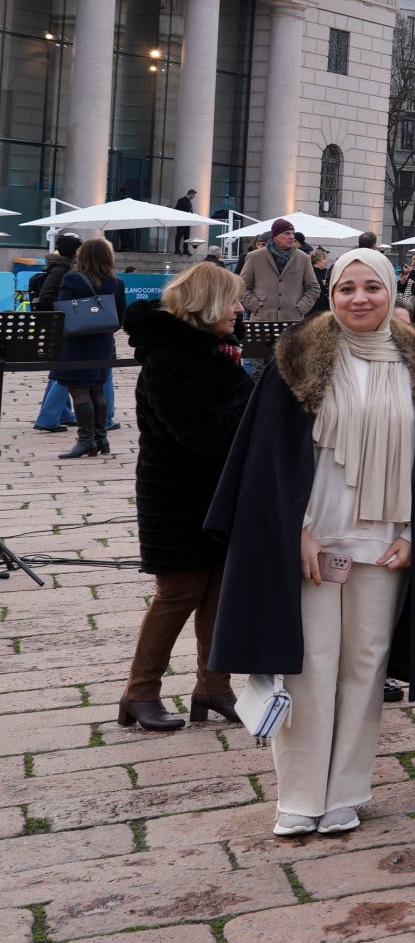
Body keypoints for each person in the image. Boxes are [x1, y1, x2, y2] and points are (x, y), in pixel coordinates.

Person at [206, 248, 415, 836]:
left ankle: (346, 789)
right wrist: (289, 532)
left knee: (365, 667)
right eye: (347, 287)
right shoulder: (295, 360)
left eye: (372, 287)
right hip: (313, 538)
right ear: (331, 292)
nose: (359, 298)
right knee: (308, 666)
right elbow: (267, 460)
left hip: (387, 541)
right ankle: (298, 796)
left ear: (393, 290)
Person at [119, 261, 254, 730]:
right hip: (176, 495)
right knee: (177, 593)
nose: (240, 308)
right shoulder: (173, 357)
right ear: (208, 304)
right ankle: (140, 693)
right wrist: (252, 413)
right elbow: (202, 434)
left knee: (219, 592)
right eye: (233, 299)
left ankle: (213, 689)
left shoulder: (210, 350)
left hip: (215, 492)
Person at [49, 236, 128, 458]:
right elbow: (120, 317)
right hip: (103, 342)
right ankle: (101, 439)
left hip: (76, 343)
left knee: (79, 390)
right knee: (97, 388)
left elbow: (61, 311)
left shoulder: (72, 279)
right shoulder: (116, 282)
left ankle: (85, 440)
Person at [243, 220, 322, 327]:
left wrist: (300, 308)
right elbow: (241, 287)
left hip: (293, 321)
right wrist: (256, 306)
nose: (291, 237)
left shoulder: (303, 258)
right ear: (275, 236)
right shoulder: (254, 257)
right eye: (286, 233)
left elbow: (313, 288)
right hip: (262, 320)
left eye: (293, 233)